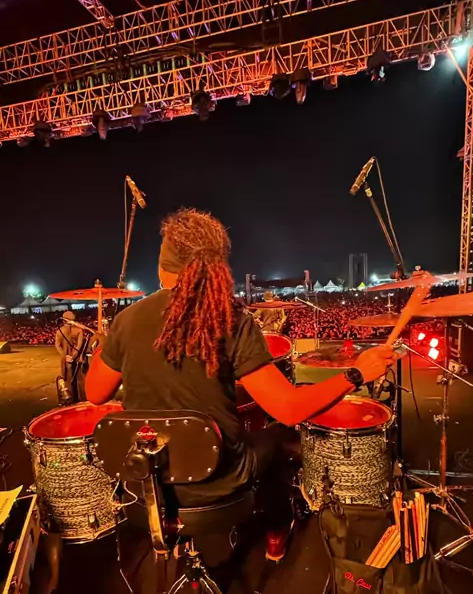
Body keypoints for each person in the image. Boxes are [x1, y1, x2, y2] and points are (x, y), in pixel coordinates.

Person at [86, 209, 395, 561]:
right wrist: (356, 374)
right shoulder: (229, 320)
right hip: (217, 479)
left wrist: (107, 342)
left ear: (163, 266)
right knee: (276, 438)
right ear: (216, 266)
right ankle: (276, 531)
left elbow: (95, 393)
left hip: (145, 481)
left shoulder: (126, 321)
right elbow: (289, 409)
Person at [55, 311, 84, 400]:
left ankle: (70, 399)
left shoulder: (60, 331)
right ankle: (81, 399)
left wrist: (65, 356)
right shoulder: (79, 330)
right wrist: (73, 356)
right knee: (79, 380)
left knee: (67, 380)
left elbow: (57, 345)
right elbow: (79, 346)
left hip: (66, 360)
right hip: (77, 359)